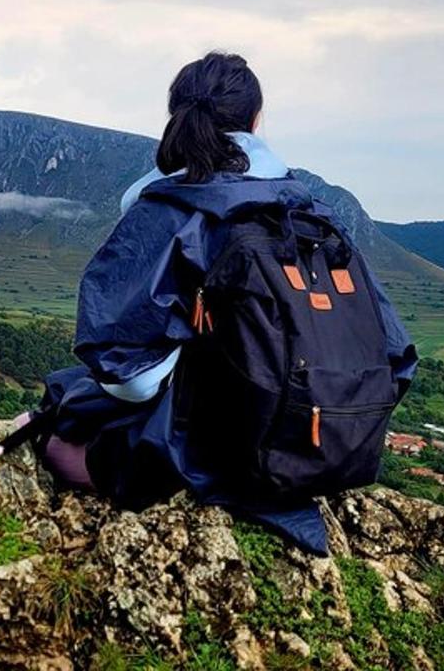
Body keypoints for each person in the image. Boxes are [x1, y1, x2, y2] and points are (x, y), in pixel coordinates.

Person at [32, 51, 418, 553]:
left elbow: (125, 372)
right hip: (331, 446)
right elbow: (396, 356)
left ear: (179, 118)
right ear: (257, 120)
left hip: (208, 451)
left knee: (52, 423)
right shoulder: (313, 212)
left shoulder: (170, 210)